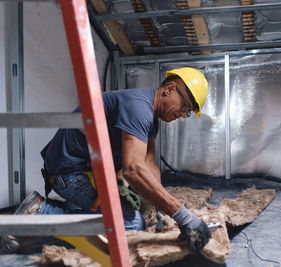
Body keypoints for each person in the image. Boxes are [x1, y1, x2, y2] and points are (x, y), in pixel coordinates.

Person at [2, 67, 211, 253]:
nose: (183, 114)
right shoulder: (138, 107)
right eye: (185, 106)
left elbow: (149, 165)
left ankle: (72, 210)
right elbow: (133, 170)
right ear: (169, 89)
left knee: (131, 206)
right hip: (70, 173)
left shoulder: (150, 119)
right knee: (131, 224)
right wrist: (183, 216)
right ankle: (42, 212)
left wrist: (161, 209)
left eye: (188, 113)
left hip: (85, 169)